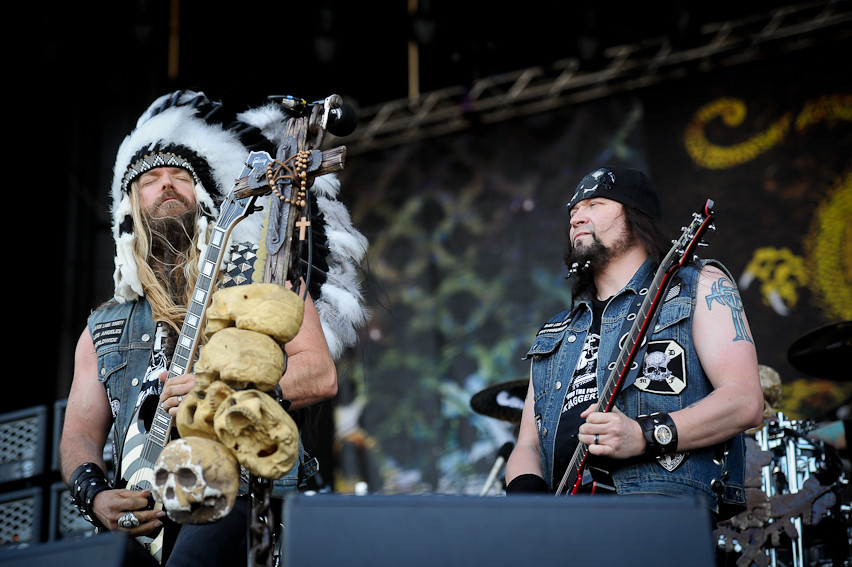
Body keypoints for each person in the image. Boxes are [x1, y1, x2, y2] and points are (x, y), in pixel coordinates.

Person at [59, 91, 368, 566]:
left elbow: (319, 374)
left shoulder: (266, 271)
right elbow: (79, 429)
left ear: (205, 197)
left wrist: (223, 400)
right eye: (151, 180)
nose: (167, 186)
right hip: (146, 519)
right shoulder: (102, 327)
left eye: (181, 177)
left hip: (244, 495)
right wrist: (95, 495)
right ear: (129, 205)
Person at [504, 166, 765, 523]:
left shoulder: (697, 286)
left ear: (635, 215)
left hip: (659, 517)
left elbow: (745, 401)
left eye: (594, 204)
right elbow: (529, 444)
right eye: (573, 211)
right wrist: (527, 507)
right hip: (563, 526)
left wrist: (643, 435)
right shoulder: (556, 331)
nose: (577, 217)